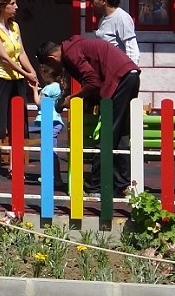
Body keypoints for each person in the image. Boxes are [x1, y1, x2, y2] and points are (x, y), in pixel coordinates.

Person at [36, 36, 140, 195]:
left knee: (107, 133)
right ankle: (122, 184)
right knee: (120, 132)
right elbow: (96, 78)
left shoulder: (71, 53)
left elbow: (93, 82)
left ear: (52, 58)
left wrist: (73, 98)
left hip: (121, 80)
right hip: (130, 76)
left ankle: (95, 185)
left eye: (50, 65)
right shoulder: (76, 46)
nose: (54, 69)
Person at [0, 0, 38, 176]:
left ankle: (15, 165)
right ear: (1, 6)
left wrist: (31, 72)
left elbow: (21, 52)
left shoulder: (14, 27)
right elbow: (4, 58)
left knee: (18, 123)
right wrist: (25, 73)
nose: (16, 7)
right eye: (12, 4)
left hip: (16, 80)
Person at [29, 63, 66, 188]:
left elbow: (39, 103)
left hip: (49, 121)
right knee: (51, 151)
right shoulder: (58, 87)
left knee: (47, 151)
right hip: (55, 121)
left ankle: (49, 176)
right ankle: (56, 177)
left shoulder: (48, 88)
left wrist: (35, 90)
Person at [83, 0, 140, 64]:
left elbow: (132, 48)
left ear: (103, 0)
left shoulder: (121, 18)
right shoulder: (103, 19)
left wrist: (130, 70)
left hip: (119, 68)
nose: (92, 4)